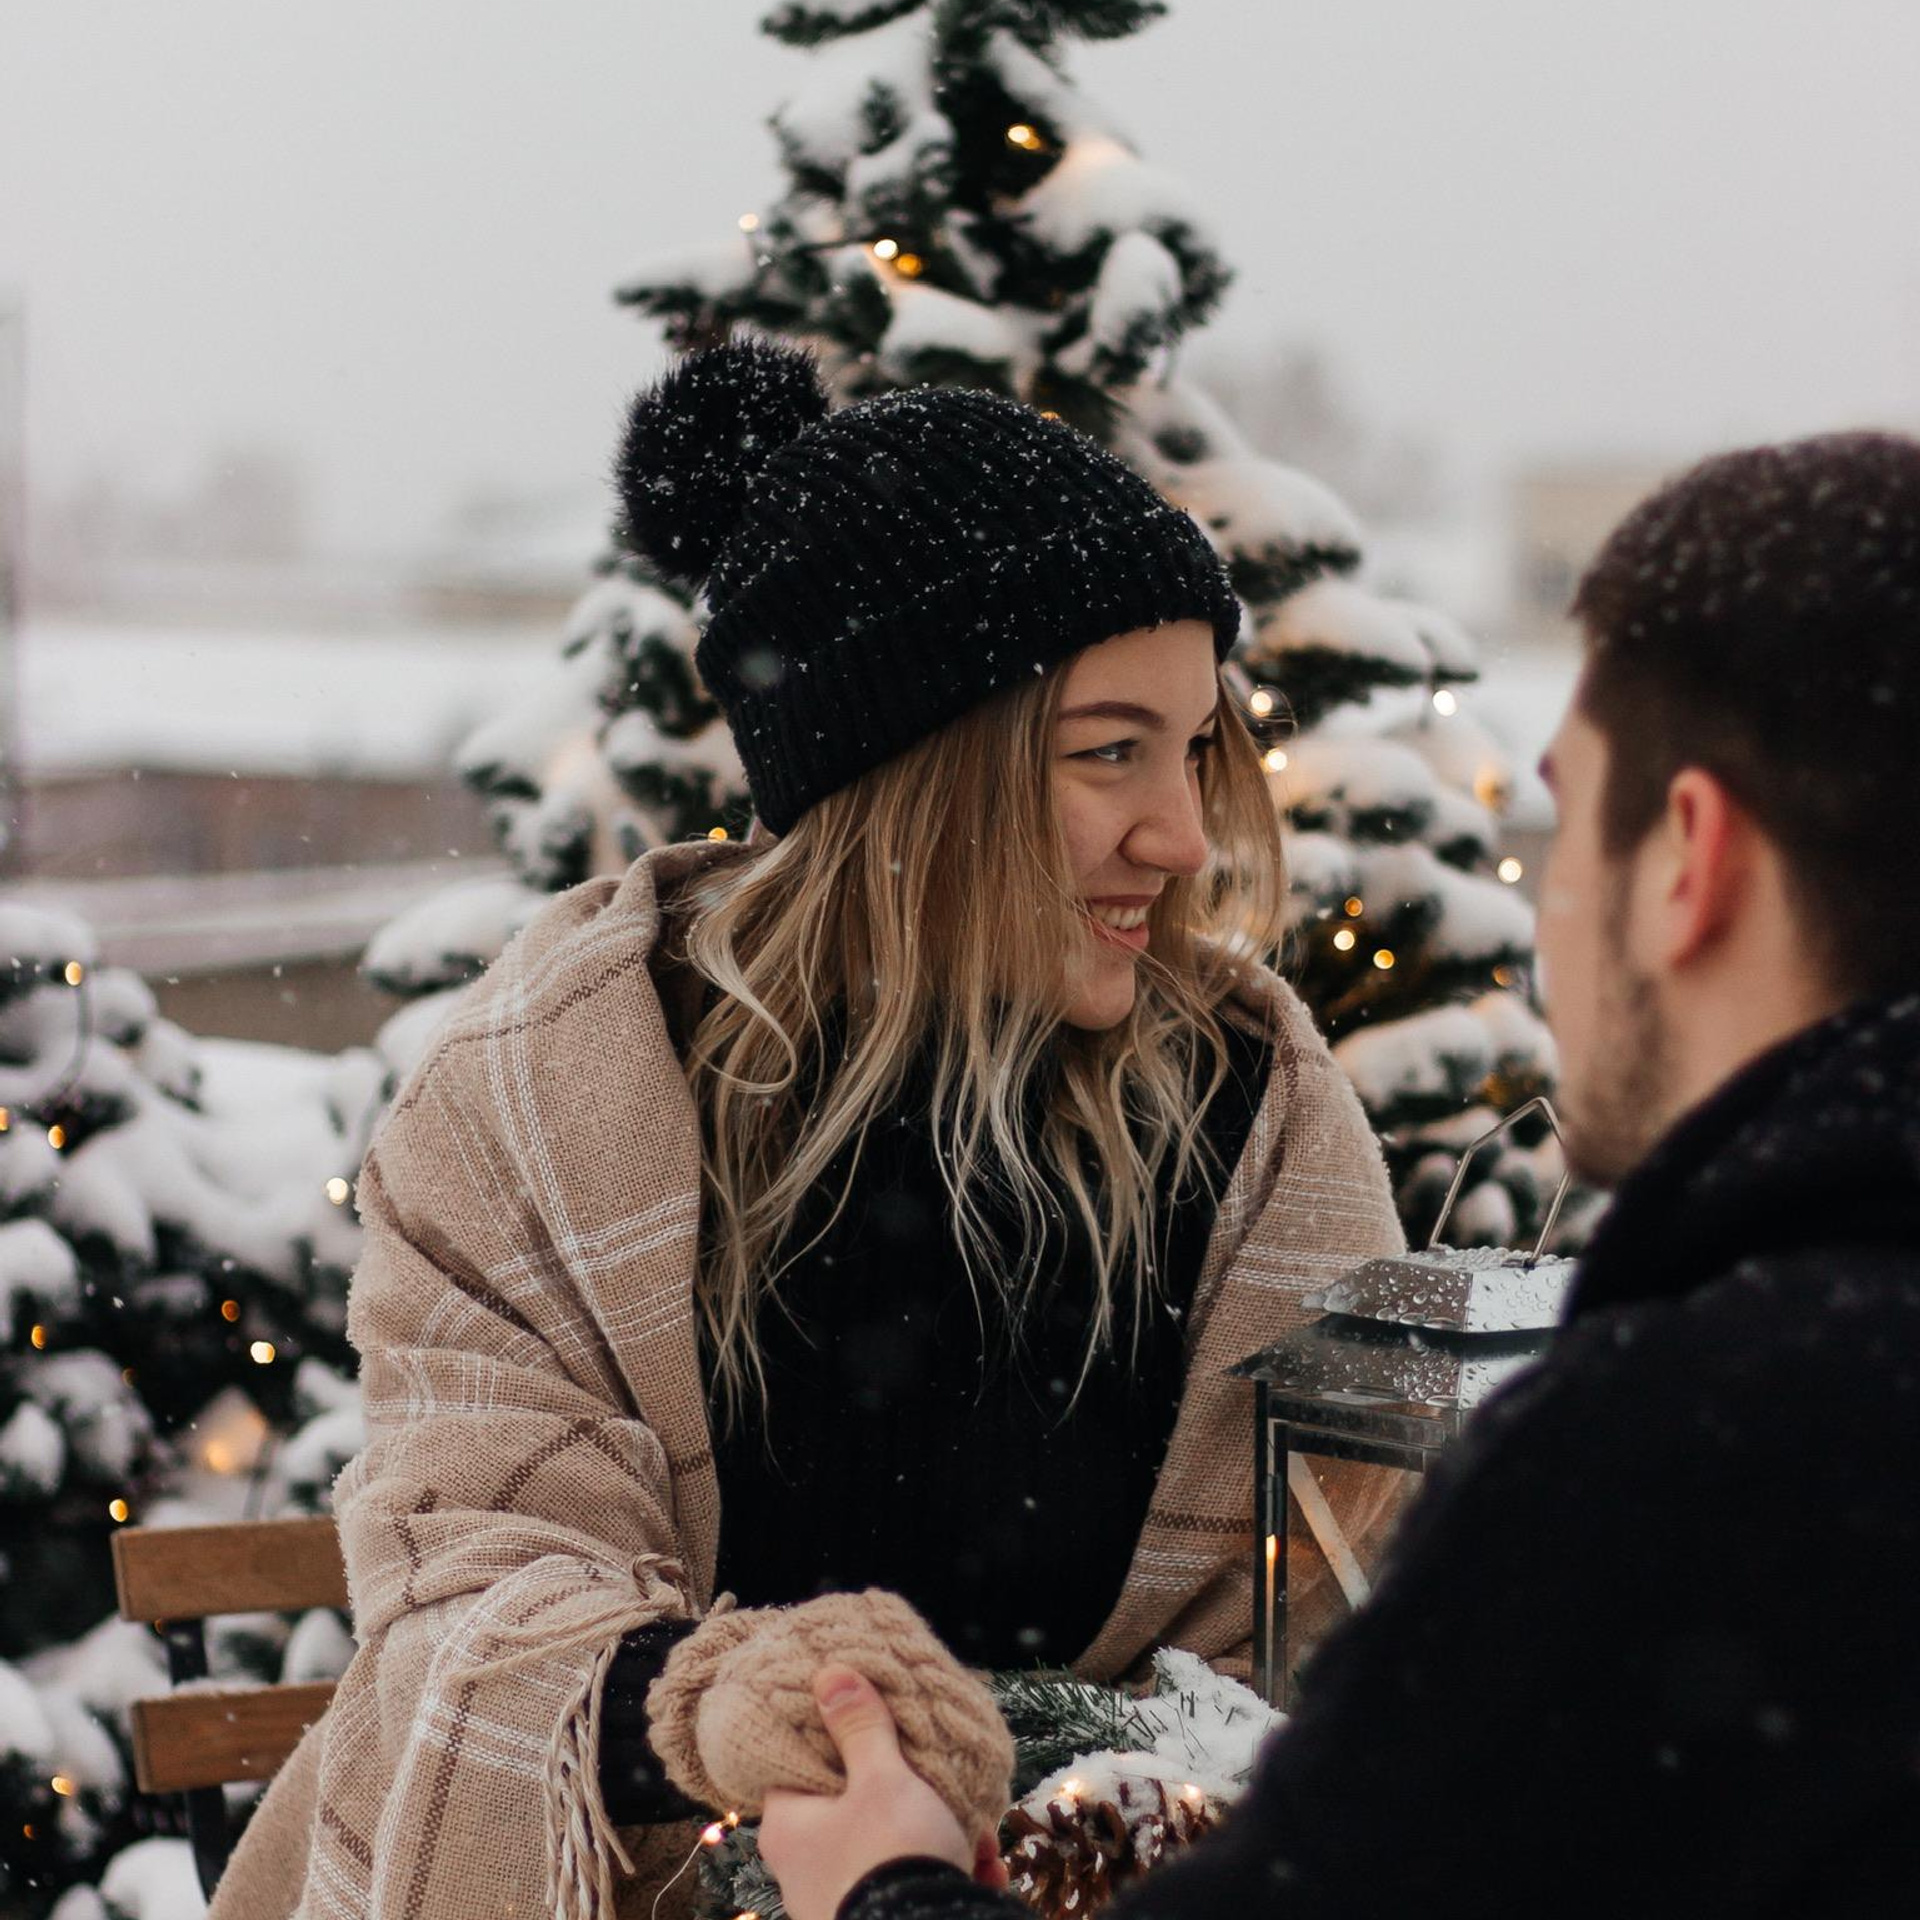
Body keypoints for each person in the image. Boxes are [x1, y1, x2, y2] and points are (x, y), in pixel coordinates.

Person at [208, 339, 1406, 1920]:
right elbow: (475, 1586)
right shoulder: (557, 1095)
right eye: (1109, 750)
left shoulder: (1251, 1115)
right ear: (915, 773)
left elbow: (1349, 1622)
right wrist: (718, 1702)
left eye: (1193, 750)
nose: (1183, 836)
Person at [758, 429, 1920, 1920]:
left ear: (1689, 859)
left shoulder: (1693, 1455)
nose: (1186, 838)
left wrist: (885, 1889)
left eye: (1568, 814)